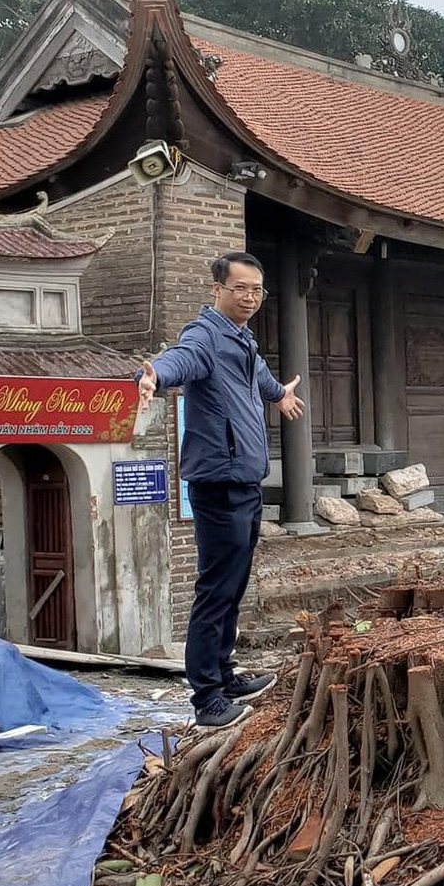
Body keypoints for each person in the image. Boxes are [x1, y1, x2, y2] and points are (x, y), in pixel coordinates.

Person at [138, 252, 305, 728]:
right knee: (215, 590)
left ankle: (226, 673)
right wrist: (153, 375)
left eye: (256, 289)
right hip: (219, 485)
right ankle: (207, 697)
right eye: (240, 288)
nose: (250, 297)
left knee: (232, 587)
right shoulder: (206, 336)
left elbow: (263, 381)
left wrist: (281, 395)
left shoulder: (243, 341)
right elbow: (178, 361)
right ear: (217, 290)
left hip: (246, 483)